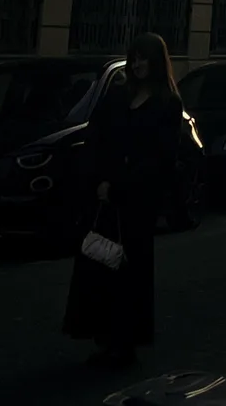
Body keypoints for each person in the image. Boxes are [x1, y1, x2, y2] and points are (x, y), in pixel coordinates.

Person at [63, 32, 183, 369]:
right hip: (105, 196)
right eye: (134, 58)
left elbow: (161, 157)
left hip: (137, 202)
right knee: (99, 265)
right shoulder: (117, 95)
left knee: (129, 271)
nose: (138, 64)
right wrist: (98, 180)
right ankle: (103, 337)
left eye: (144, 58)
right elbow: (96, 138)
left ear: (156, 62)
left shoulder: (167, 103)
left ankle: (124, 342)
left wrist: (121, 185)